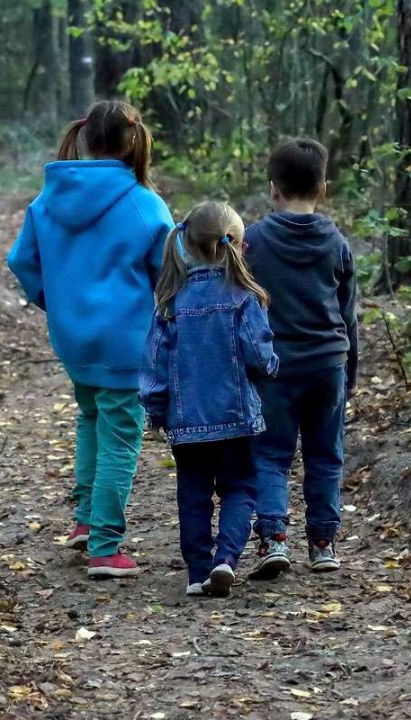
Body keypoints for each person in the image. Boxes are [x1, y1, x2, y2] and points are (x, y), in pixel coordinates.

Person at [7, 100, 173, 579]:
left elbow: (22, 261)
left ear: (84, 139)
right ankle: (105, 545)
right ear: (133, 141)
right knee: (122, 436)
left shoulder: (48, 200)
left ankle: (84, 521)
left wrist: (54, 301)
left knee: (89, 416)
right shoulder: (144, 204)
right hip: (125, 341)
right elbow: (167, 273)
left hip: (72, 338)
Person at [139, 202, 279, 597]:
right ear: (237, 243)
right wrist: (270, 368)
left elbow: (155, 362)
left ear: (186, 243)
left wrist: (156, 407)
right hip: (237, 419)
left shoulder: (170, 300)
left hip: (187, 423)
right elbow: (257, 354)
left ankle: (198, 572)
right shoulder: (244, 297)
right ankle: (226, 559)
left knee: (193, 494)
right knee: (241, 488)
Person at [245, 138, 358, 578]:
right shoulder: (337, 244)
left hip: (274, 366)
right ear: (324, 188)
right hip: (328, 362)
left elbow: (242, 306)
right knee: (325, 454)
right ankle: (324, 543)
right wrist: (350, 370)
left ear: (273, 189)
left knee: (270, 453)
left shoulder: (252, 241)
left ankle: (273, 538)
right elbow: (347, 314)